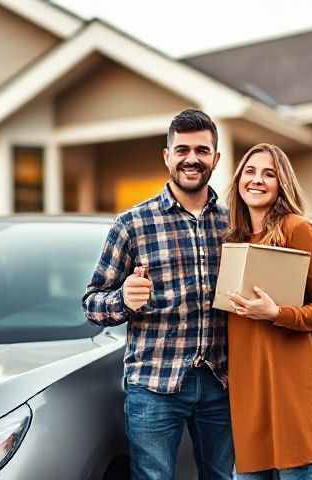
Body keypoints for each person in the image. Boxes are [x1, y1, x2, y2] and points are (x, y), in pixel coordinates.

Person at [82, 109, 233, 480]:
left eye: (201, 150)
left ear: (215, 158)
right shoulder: (132, 224)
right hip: (153, 385)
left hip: (221, 381)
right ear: (167, 157)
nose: (191, 158)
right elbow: (92, 303)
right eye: (181, 149)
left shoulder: (233, 225)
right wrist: (123, 300)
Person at [225, 143, 312, 479]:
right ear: (238, 181)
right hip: (250, 395)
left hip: (293, 394)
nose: (257, 180)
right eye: (250, 171)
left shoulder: (297, 229)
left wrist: (277, 313)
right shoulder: (233, 239)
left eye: (268, 173)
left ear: (282, 184)